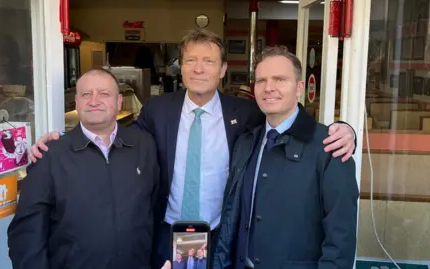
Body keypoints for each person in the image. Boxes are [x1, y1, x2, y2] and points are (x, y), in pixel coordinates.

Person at [28, 29, 357, 268]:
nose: (199, 68)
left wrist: (343, 130)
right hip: (169, 234)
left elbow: (285, 117)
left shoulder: (244, 114)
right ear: (180, 67)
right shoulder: (158, 111)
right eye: (191, 60)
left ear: (223, 70)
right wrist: (63, 139)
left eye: (209, 61)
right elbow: (115, 136)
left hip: (219, 236)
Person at [212, 46, 359, 269]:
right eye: (261, 81)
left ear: (300, 87)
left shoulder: (330, 148)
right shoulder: (246, 142)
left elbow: (341, 238)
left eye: (280, 79)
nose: (269, 88)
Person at [7, 69, 160, 269]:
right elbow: (26, 234)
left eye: (104, 94)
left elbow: (155, 209)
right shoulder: (50, 155)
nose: (94, 100)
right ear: (77, 102)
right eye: (86, 94)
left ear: (119, 101)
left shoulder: (144, 145)